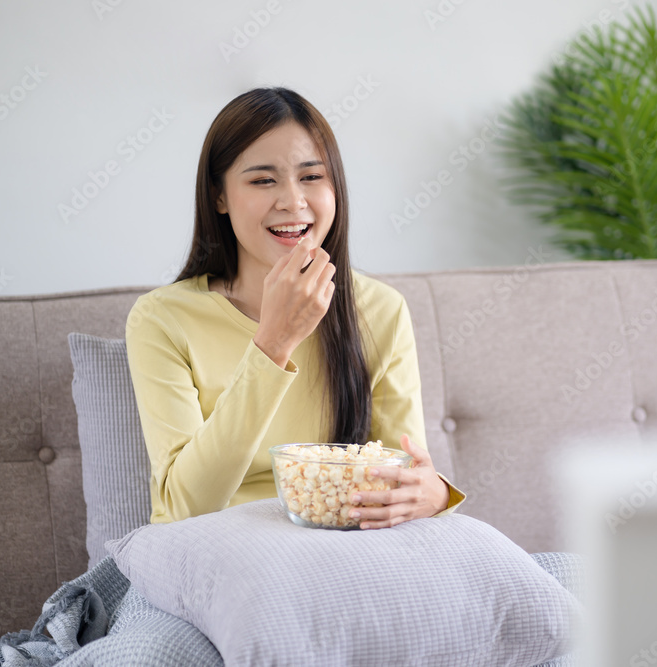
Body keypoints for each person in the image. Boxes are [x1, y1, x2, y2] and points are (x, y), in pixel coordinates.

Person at [125, 87, 465, 529]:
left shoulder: (380, 309)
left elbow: (398, 475)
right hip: (216, 543)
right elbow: (186, 509)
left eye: (312, 176)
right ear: (219, 196)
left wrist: (434, 494)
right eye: (263, 180)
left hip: (340, 541)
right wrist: (273, 343)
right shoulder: (162, 318)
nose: (292, 201)